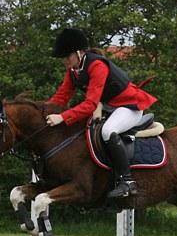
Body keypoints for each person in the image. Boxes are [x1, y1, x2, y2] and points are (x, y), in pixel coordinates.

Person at [45, 28, 157, 198]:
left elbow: (90, 104)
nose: (65, 61)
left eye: (67, 57)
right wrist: (43, 111)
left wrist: (62, 117)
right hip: (111, 108)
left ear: (79, 52)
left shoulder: (97, 65)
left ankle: (127, 181)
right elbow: (62, 96)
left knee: (107, 131)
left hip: (130, 106)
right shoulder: (74, 71)